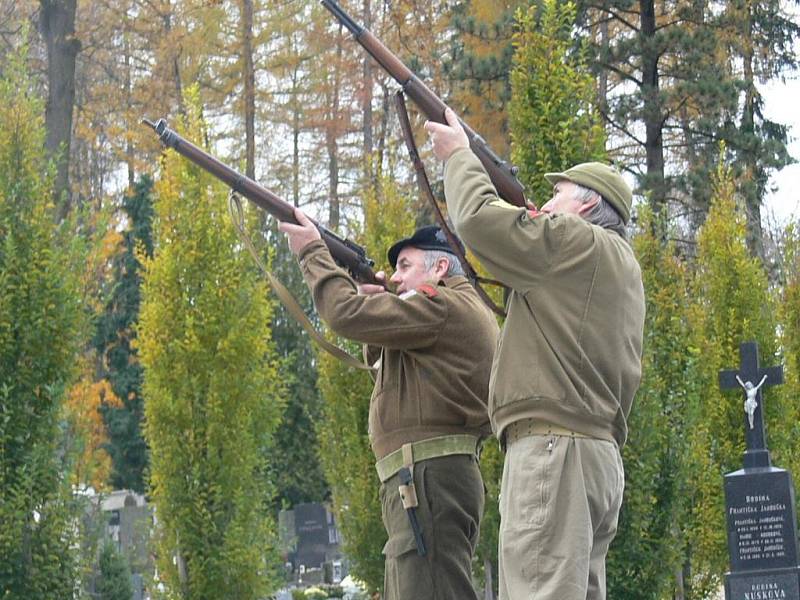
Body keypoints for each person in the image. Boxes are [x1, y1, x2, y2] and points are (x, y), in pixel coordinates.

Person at [424, 108, 646, 600]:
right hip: (590, 456)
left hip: (554, 452)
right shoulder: (616, 264)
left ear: (587, 207)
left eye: (557, 195)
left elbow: (478, 222)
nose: (543, 206)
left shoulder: (573, 243)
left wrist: (459, 156)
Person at [278, 212, 499, 600]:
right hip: (424, 478)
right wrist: (379, 309)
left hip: (426, 479)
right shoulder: (448, 310)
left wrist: (313, 252)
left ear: (441, 267)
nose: (394, 277)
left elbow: (343, 314)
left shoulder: (439, 305)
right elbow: (394, 381)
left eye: (405, 266)